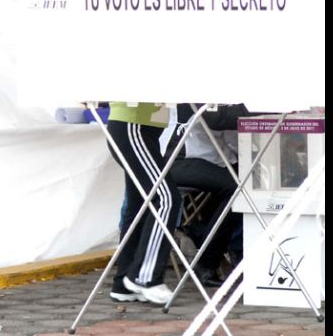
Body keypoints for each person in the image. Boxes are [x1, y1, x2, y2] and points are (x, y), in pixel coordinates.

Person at [106, 102, 181, 305]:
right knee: (166, 199)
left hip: (141, 127)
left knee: (139, 204)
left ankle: (123, 282)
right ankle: (144, 277)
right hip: (133, 125)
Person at [167, 103, 250, 287]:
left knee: (253, 182)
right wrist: (272, 110)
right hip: (179, 158)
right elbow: (215, 117)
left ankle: (199, 234)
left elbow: (231, 137)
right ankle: (207, 259)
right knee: (240, 190)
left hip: (210, 158)